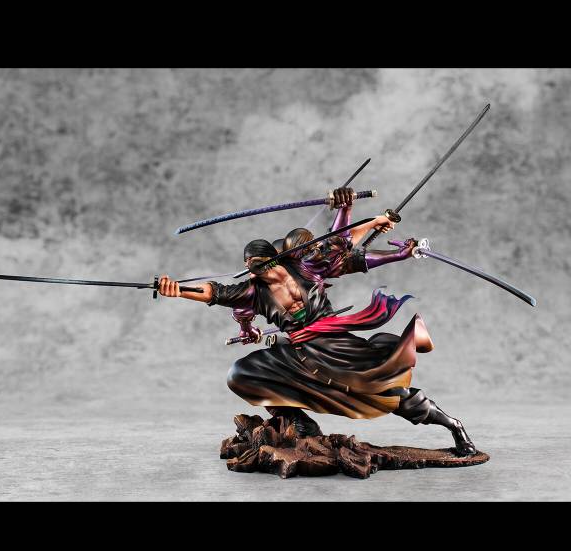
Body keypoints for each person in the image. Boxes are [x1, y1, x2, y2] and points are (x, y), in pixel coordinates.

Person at [158, 188, 477, 455]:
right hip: (298, 355)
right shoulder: (253, 291)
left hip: (334, 345)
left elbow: (340, 242)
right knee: (242, 374)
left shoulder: (306, 267)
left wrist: (347, 208)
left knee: (383, 389)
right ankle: (300, 423)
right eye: (251, 267)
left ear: (273, 258)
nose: (257, 271)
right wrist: (178, 290)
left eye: (260, 264)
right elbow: (213, 291)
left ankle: (454, 426)